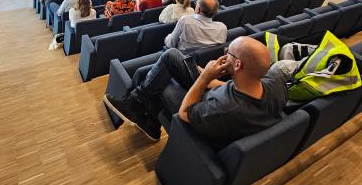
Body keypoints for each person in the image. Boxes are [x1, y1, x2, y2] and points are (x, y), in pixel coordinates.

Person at [104, 36, 287, 143]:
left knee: (163, 84)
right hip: (213, 94)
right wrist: (206, 75)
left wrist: (204, 78)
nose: (224, 53)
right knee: (172, 56)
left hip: (203, 108)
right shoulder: (274, 82)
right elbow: (232, 88)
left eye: (228, 52)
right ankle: (143, 113)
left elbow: (185, 113)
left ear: (238, 65)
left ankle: (139, 109)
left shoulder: (224, 109)